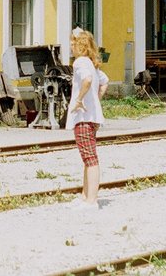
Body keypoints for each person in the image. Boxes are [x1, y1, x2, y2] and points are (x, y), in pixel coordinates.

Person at [66, 26, 109, 208]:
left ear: (80, 46)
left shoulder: (80, 63)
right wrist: (95, 101)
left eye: (72, 43)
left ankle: (91, 200)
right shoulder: (91, 63)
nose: (70, 46)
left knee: (90, 159)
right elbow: (104, 82)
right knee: (88, 157)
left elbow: (88, 80)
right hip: (92, 117)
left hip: (83, 117)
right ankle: (85, 196)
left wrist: (79, 100)